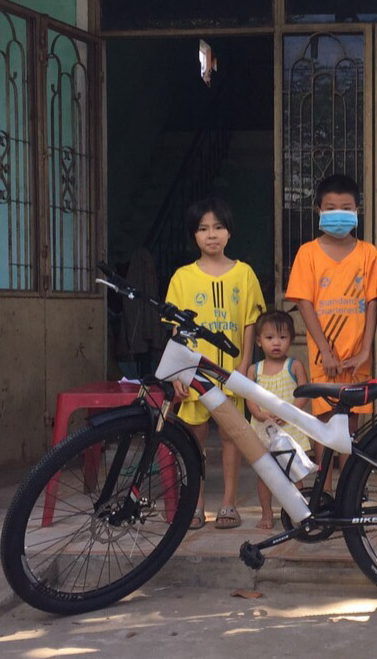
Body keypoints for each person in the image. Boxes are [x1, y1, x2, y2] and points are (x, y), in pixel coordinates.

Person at [166, 197, 265, 530]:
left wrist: (246, 363)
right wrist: (178, 372)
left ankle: (229, 504)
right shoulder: (182, 277)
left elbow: (251, 322)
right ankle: (196, 503)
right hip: (194, 371)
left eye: (218, 227)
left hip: (230, 372)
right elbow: (176, 330)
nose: (212, 235)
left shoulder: (245, 274)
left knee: (230, 435)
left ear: (229, 232)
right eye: (203, 228)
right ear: (193, 235)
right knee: (194, 438)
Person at [286, 174, 377, 492]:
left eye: (346, 207)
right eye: (331, 207)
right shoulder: (307, 253)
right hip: (323, 357)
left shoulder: (369, 253)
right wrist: (325, 350)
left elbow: (372, 302)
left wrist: (366, 350)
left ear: (357, 210)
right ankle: (323, 491)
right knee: (324, 421)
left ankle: (349, 490)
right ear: (318, 210)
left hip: (356, 357)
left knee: (350, 424)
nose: (339, 213)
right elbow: (304, 303)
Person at [245, 310, 312, 530]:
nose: (276, 343)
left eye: (282, 338)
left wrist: (289, 412)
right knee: (266, 475)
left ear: (291, 340)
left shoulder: (294, 366)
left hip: (289, 431)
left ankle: (299, 513)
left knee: (294, 473)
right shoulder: (254, 370)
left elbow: (303, 392)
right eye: (270, 338)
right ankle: (267, 513)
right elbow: (250, 398)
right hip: (264, 431)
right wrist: (258, 413)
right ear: (258, 341)